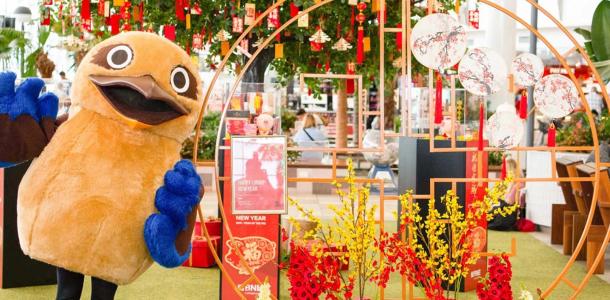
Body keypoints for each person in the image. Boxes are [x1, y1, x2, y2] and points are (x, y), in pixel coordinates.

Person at [488, 157, 523, 231]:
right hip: (507, 209)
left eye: (506, 167)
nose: (505, 170)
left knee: (491, 213)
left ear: (510, 168)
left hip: (509, 213)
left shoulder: (517, 183)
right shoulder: (513, 181)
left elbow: (509, 201)